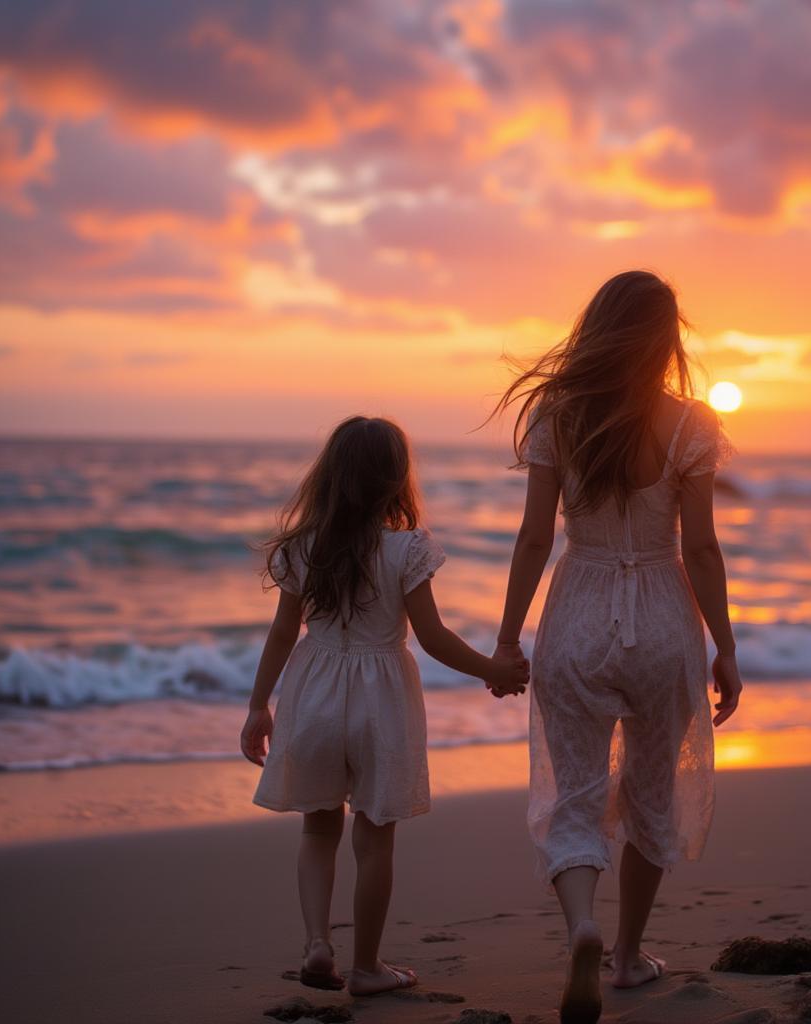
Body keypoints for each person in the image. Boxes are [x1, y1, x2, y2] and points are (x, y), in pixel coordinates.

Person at [488, 270, 743, 1023]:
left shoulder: (558, 417)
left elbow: (536, 536)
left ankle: (583, 928)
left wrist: (507, 636)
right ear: (666, 340)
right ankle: (628, 956)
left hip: (577, 616)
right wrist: (724, 645)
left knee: (575, 794)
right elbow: (700, 548)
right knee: (651, 792)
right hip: (663, 620)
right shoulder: (692, 423)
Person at [240, 416, 528, 997]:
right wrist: (493, 670)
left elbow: (279, 634)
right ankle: (367, 966)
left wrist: (257, 707)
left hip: (314, 691)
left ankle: (318, 943)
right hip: (383, 700)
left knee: (318, 831)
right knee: (374, 841)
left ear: (328, 477)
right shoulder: (407, 548)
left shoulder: (303, 547)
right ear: (397, 480)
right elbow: (433, 636)